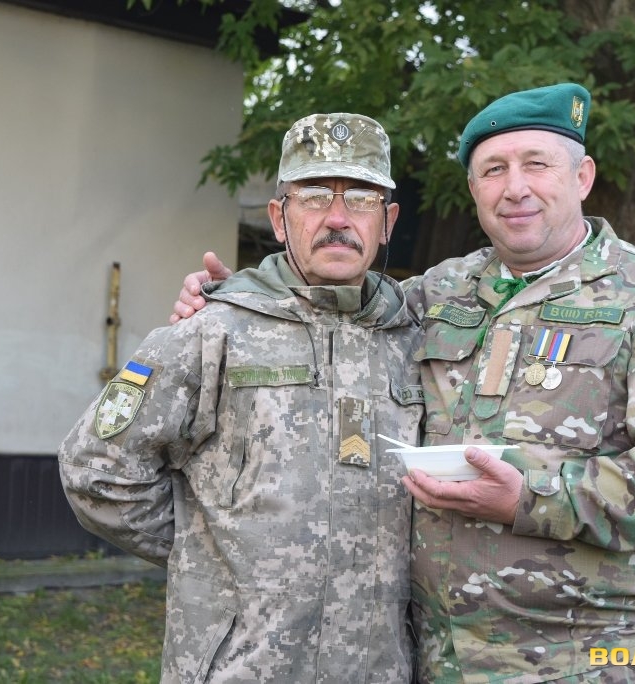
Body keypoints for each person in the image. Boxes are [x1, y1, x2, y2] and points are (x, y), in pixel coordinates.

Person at [173, 84, 635, 683]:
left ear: (582, 177)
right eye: (493, 170)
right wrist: (242, 302)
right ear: (473, 190)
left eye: (536, 164)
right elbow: (330, 310)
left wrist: (532, 498)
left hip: (585, 660)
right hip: (438, 660)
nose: (514, 188)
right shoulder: (437, 294)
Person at [59, 113, 425, 682]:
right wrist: (213, 554)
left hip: (379, 668)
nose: (337, 218)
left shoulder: (416, 340)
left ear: (387, 222)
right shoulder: (211, 332)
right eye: (313, 197)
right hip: (243, 668)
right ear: (279, 218)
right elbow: (97, 471)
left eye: (360, 199)